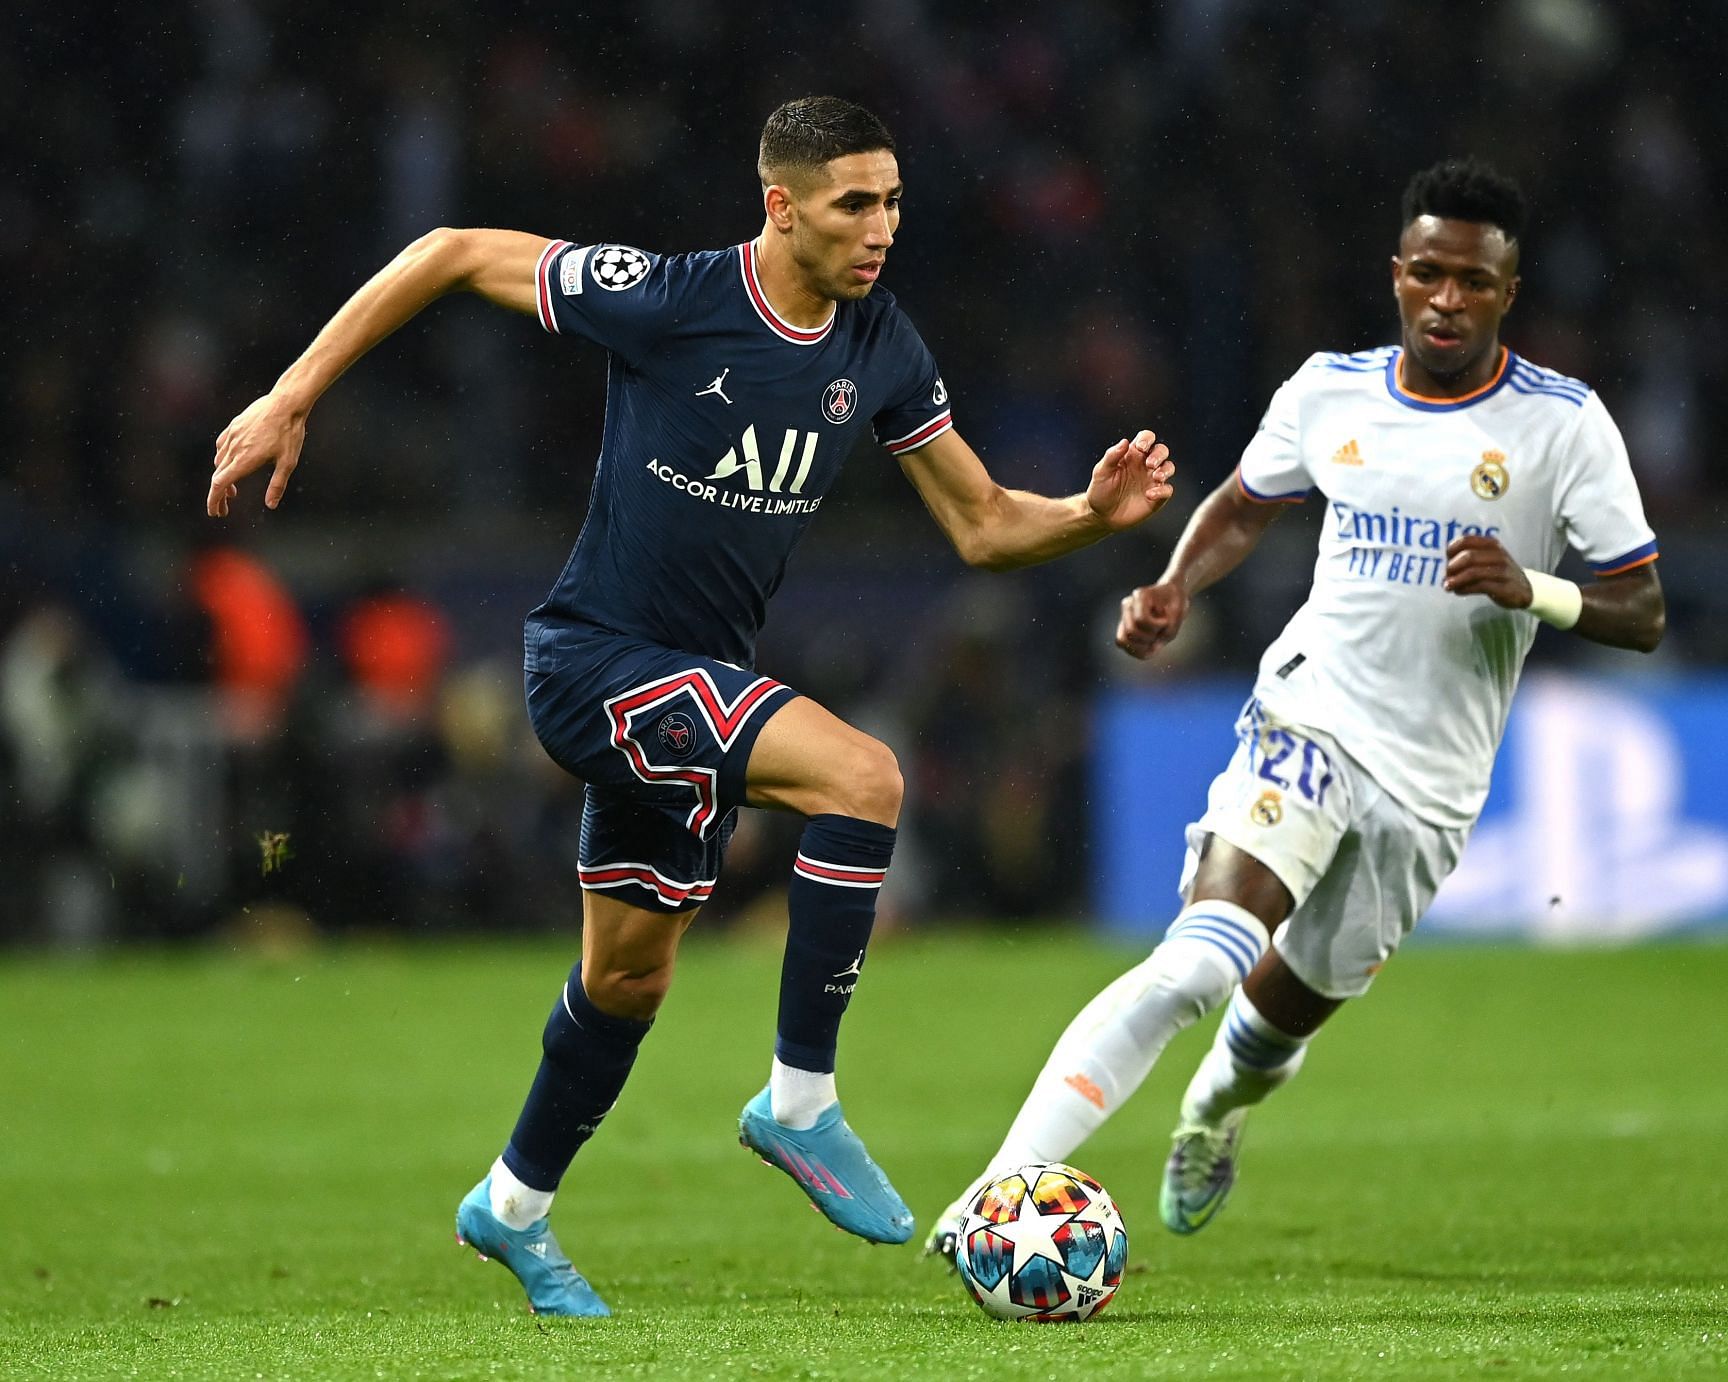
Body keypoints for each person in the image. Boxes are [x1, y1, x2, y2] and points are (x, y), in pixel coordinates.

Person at [207, 95, 1175, 1316]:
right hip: (594, 664)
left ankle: (509, 1206)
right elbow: (447, 251)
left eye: (892, 203)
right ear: (781, 206)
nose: (881, 230)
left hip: (690, 692)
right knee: (863, 775)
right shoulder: (672, 297)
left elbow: (981, 522)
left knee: (626, 980)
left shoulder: (881, 344)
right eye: (852, 204)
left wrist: (1089, 513)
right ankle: (801, 1101)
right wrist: (294, 393)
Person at [925, 158, 1665, 1257]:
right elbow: (1240, 504)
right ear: (1397, 274)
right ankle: (993, 1195)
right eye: (1427, 274)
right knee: (1198, 960)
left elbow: (1642, 606)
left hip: (1431, 781)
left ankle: (1210, 1113)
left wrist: (1536, 588)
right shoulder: (1330, 389)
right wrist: (1176, 582)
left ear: (1508, 292)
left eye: (1473, 280)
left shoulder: (1565, 426)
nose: (1446, 300)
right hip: (1311, 716)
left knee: (1270, 1025)